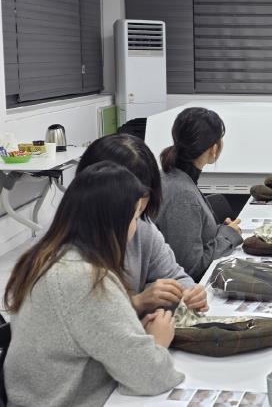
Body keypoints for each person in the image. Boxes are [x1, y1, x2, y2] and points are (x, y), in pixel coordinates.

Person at [4, 162, 184, 407]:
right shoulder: (85, 279)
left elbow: (86, 335)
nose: (136, 227)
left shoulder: (45, 258)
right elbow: (151, 377)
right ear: (114, 223)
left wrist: (132, 331)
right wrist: (158, 340)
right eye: (134, 217)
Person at [76, 133, 208, 315]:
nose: (137, 207)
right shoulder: (70, 255)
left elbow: (175, 276)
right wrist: (137, 303)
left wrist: (190, 293)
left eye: (144, 195)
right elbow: (87, 319)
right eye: (130, 196)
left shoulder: (142, 228)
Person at [156, 107, 243, 281]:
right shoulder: (182, 195)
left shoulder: (171, 175)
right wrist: (228, 236)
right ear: (214, 149)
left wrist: (219, 231)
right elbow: (191, 267)